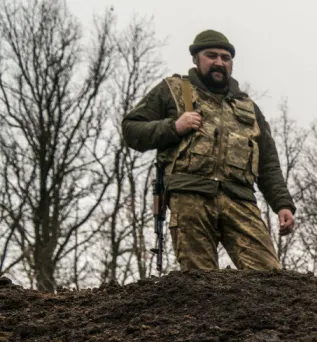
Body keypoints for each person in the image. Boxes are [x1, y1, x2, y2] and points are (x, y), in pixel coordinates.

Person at [122, 30, 295, 272]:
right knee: (200, 283)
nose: (219, 62)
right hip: (190, 196)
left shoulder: (247, 107)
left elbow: (267, 162)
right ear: (195, 58)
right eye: (211, 55)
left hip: (239, 199)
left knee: (269, 276)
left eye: (225, 58)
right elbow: (131, 130)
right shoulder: (173, 90)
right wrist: (174, 126)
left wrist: (282, 204)